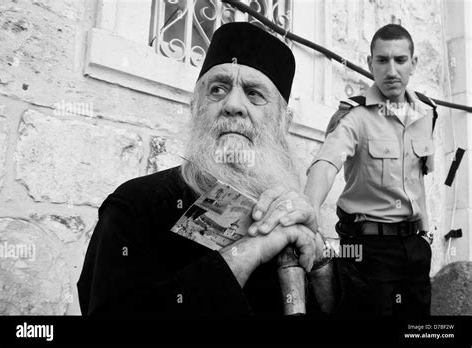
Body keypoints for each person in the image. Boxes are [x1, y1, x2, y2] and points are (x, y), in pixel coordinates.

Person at [77, 22, 372, 318]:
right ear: (196, 107)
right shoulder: (136, 205)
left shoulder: (291, 214)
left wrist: (320, 260)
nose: (233, 104)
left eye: (254, 93)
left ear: (284, 123)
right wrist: (250, 250)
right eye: (217, 89)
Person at [304, 24, 436, 317]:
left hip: (415, 249)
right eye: (382, 60)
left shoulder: (426, 114)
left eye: (400, 60)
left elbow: (418, 179)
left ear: (413, 63)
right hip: (369, 250)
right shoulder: (355, 115)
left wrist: (426, 236)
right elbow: (327, 163)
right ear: (370, 63)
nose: (391, 70)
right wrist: (308, 212)